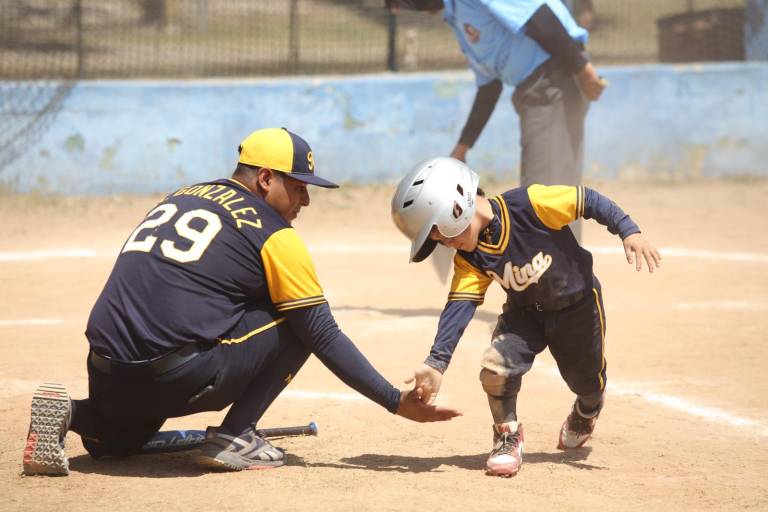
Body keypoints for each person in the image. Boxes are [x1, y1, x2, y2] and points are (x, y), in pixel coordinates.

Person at [22, 128, 460, 477]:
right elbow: (322, 334)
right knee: (301, 320)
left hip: (105, 369)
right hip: (177, 374)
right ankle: (235, 435)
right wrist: (394, 401)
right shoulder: (273, 231)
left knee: (116, 447)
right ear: (266, 179)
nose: (306, 199)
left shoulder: (180, 196)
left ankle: (75, 412)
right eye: (298, 186)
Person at [390, 156, 661, 477]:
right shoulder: (470, 257)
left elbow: (587, 199)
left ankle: (587, 409)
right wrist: (437, 362)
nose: (444, 243)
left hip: (578, 307)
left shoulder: (529, 204)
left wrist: (628, 230)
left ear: (457, 206)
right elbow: (459, 306)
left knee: (585, 382)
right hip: (524, 315)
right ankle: (507, 436)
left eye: (439, 233)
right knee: (495, 367)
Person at [386, 0, 607, 240]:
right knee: (549, 193)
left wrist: (583, 69)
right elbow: (489, 87)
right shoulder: (458, 15)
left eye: (398, 1)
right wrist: (462, 149)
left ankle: (558, 273)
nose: (397, 9)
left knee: (542, 197)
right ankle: (559, 271)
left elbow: (537, 17)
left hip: (553, 77)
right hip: (539, 87)